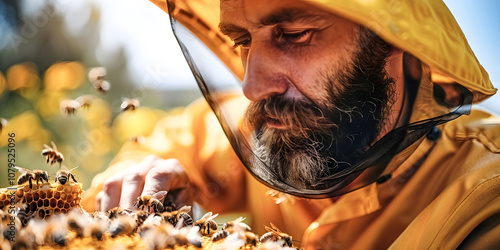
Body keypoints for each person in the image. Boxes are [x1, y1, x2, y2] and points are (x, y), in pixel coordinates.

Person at [82, 0, 500, 248]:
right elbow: (162, 148)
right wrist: (140, 178)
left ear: (395, 39)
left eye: (295, 33)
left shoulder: (486, 193)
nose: (252, 86)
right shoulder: (273, 127)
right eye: (243, 41)